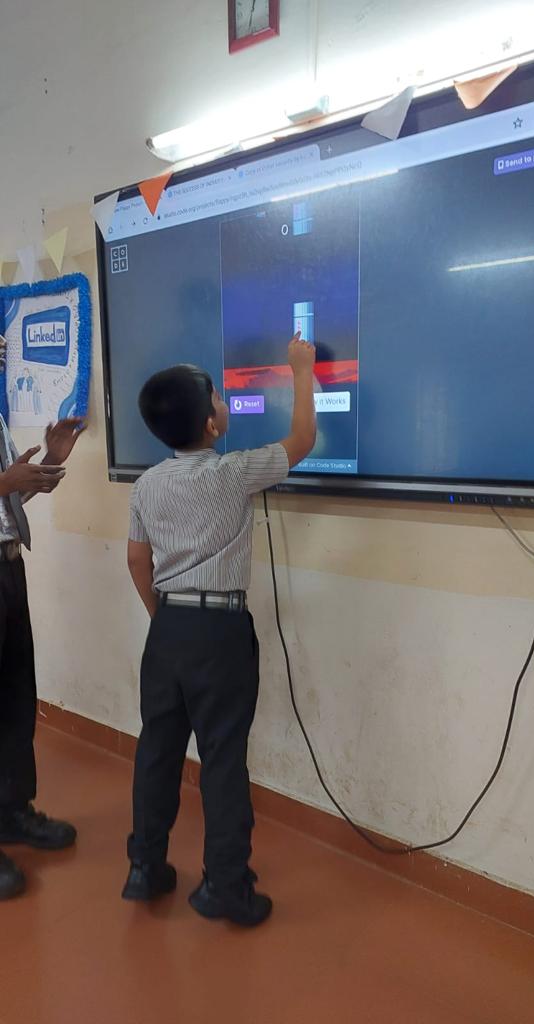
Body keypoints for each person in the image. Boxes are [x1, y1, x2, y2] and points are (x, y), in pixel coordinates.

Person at [123, 332, 316, 927]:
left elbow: (136, 560)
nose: (225, 404)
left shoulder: (146, 484)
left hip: (168, 628)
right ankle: (225, 887)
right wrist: (301, 370)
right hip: (219, 632)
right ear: (211, 424)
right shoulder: (233, 472)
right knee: (223, 759)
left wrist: (163, 618)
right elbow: (303, 441)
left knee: (157, 750)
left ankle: (145, 868)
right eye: (217, 398)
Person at [0, 334, 86, 901]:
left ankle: (10, 810)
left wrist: (49, 462)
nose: (1, 345)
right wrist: (4, 481)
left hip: (8, 569)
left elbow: (6, 504)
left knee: (14, 695)